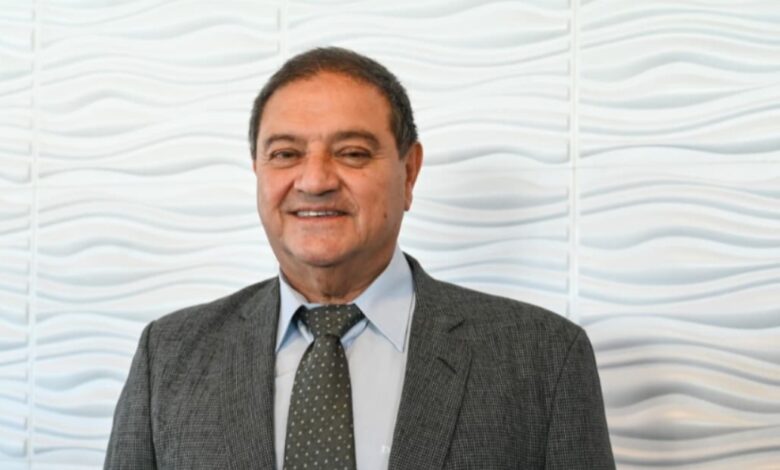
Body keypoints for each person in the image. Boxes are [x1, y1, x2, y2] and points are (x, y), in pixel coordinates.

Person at [104, 47, 615, 470]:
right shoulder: (168, 357)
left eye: (352, 152)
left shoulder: (544, 358)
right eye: (285, 154)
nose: (315, 180)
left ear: (409, 173)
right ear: (257, 171)